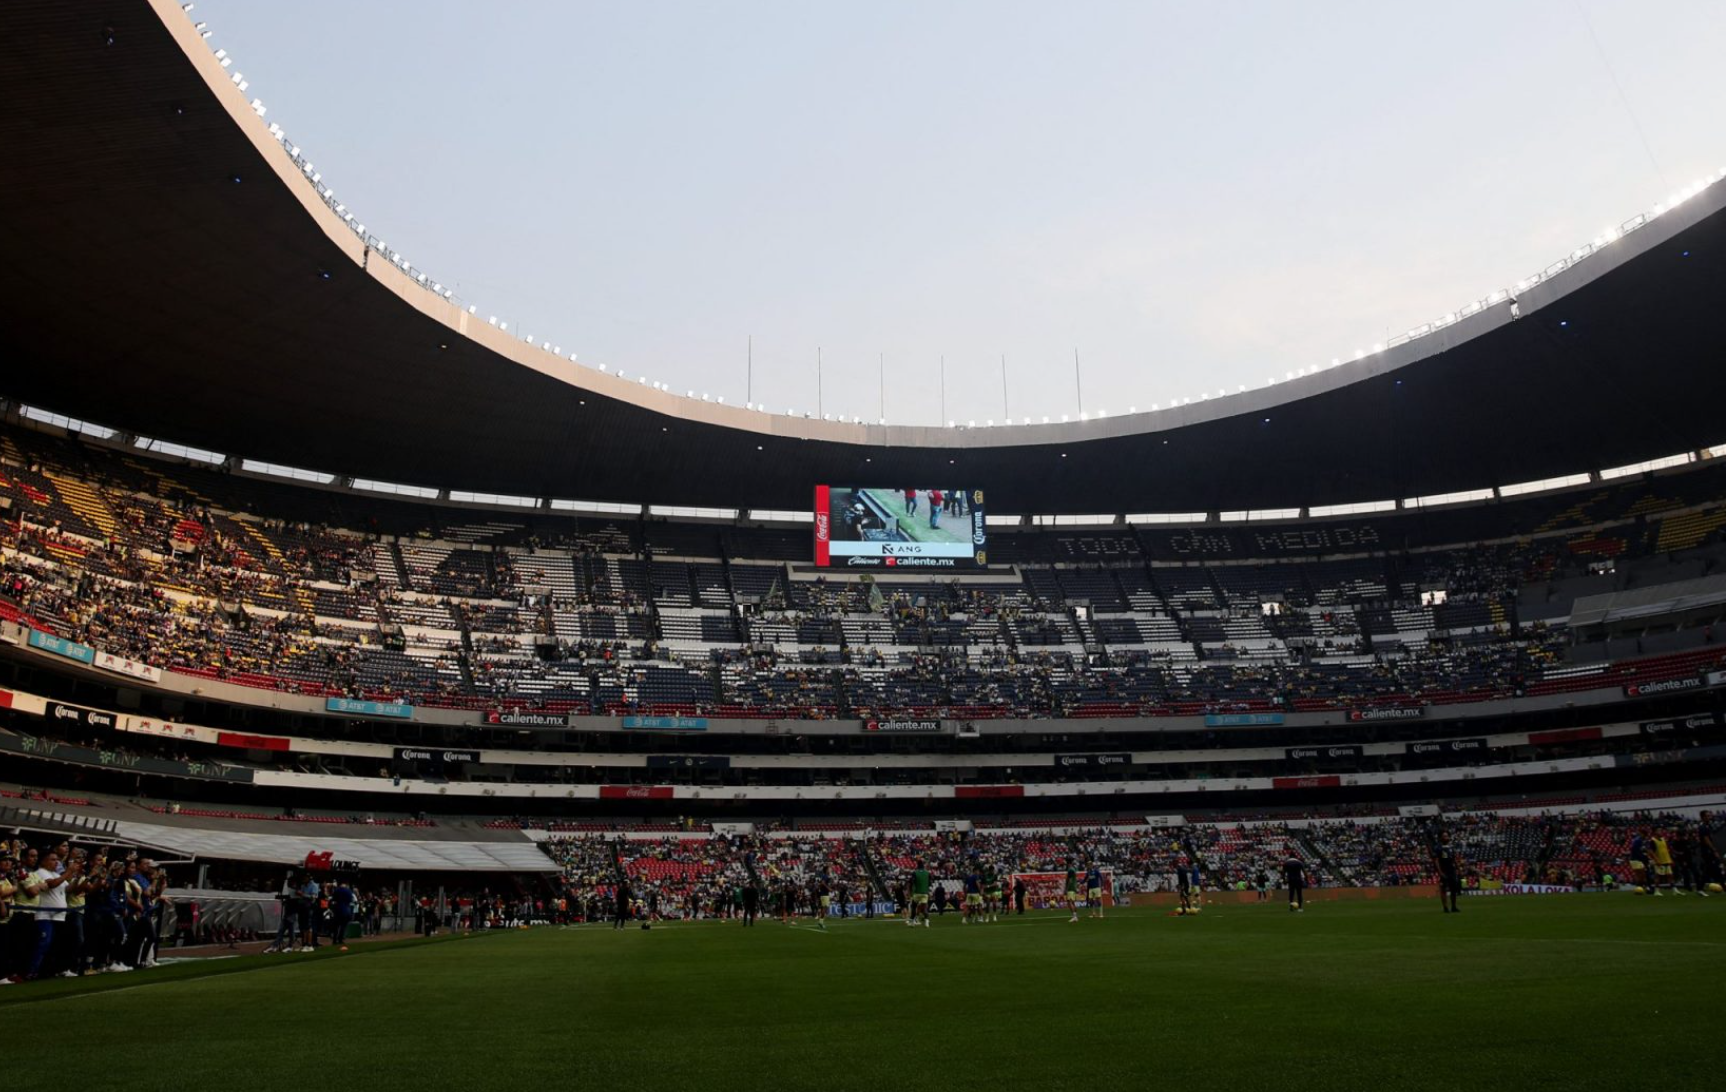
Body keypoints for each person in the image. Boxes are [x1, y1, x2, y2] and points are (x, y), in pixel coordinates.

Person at [1435, 833, 1462, 914]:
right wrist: (1440, 872)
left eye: (1447, 836)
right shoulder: (1438, 848)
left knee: (1453, 889)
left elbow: (1454, 859)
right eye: (1445, 836)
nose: (1447, 837)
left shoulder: (1451, 848)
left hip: (1452, 871)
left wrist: (1458, 868)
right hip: (1444, 871)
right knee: (1443, 889)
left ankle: (1453, 906)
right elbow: (1436, 861)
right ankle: (1445, 907)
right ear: (1441, 838)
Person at [909, 861, 931, 928]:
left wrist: (910, 891)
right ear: (923, 866)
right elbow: (930, 883)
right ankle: (927, 922)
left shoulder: (915, 873)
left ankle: (912, 922)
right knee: (924, 909)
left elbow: (911, 882)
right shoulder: (927, 873)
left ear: (917, 866)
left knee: (913, 907)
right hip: (925, 893)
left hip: (917, 893)